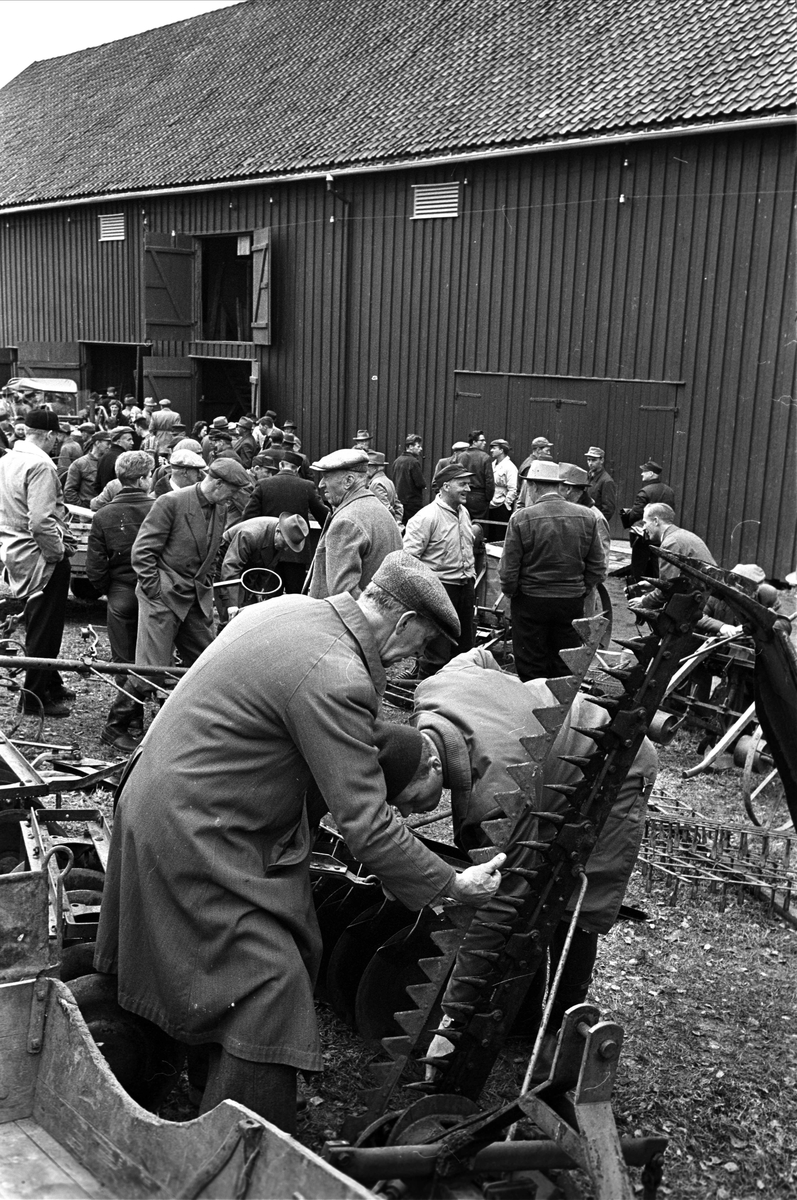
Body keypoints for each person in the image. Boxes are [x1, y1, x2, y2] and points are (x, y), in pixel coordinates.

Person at [94, 550, 505, 1133]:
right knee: (268, 986)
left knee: (222, 962)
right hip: (197, 826)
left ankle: (203, 1081)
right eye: (418, 646)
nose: (412, 658)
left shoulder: (292, 610)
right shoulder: (335, 674)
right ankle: (243, 1143)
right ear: (406, 623)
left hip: (164, 801)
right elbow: (365, 822)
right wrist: (450, 884)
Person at [409, 648, 657, 1074]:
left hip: (615, 756)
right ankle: (522, 1003)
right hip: (548, 761)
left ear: (434, 763)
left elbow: (497, 905)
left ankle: (562, 1030)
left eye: (410, 800)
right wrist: (517, 698)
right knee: (532, 875)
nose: (410, 812)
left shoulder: (501, 789)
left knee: (574, 900)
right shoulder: (433, 688)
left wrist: (451, 1020)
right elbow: (482, 657)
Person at [129, 457, 252, 693]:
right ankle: (120, 724)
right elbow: (143, 552)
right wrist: (156, 590)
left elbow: (213, 553)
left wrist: (207, 585)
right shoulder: (171, 502)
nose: (234, 498)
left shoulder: (220, 508)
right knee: (150, 672)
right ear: (217, 483)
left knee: (207, 663)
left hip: (195, 597)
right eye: (232, 491)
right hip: (164, 595)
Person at [500, 460, 606, 680]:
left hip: (531, 600)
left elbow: (508, 569)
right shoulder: (587, 516)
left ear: (534, 486)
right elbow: (598, 566)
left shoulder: (521, 518)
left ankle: (534, 706)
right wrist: (581, 589)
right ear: (559, 486)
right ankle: (562, 709)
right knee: (564, 661)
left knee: (531, 662)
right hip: (570, 602)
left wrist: (513, 592)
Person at [0, 409, 75, 716]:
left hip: (14, 552)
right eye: (57, 436)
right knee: (46, 628)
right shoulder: (42, 465)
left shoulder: (7, 460)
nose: (58, 441)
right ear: (49, 435)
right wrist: (57, 554)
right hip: (41, 555)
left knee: (35, 621)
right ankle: (33, 699)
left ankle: (51, 683)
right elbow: (41, 521)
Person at [85, 451, 155, 750]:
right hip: (152, 593)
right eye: (150, 474)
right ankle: (126, 724)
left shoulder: (103, 515)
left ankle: (133, 721)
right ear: (141, 479)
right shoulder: (158, 508)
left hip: (120, 593)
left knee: (123, 661)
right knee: (147, 661)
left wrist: (109, 589)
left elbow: (95, 567)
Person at [403, 461, 476, 676]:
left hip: (465, 587)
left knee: (464, 650)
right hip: (440, 590)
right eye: (462, 484)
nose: (468, 489)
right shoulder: (426, 517)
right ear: (445, 486)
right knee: (437, 653)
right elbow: (408, 560)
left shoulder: (463, 513)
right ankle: (426, 701)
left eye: (468, 484)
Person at [306, 449, 402, 599]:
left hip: (348, 620)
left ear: (349, 481)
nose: (321, 484)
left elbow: (343, 595)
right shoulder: (378, 509)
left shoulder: (346, 521)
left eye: (326, 477)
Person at [243, 451, 327, 593]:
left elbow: (248, 519)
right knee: (295, 599)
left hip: (268, 552)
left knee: (270, 599)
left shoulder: (263, 485)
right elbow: (324, 517)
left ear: (281, 465)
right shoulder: (307, 486)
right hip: (296, 553)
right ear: (298, 469)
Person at [627, 504, 716, 615]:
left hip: (701, 602)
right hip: (708, 595)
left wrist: (644, 601)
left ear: (655, 521)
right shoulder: (681, 535)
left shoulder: (670, 543)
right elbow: (677, 580)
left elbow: (668, 590)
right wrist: (654, 585)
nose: (643, 528)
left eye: (645, 523)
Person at [219, 513, 309, 616]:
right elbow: (231, 566)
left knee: (247, 611)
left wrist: (257, 590)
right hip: (224, 561)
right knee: (229, 615)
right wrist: (232, 605)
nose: (285, 549)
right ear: (278, 532)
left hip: (248, 565)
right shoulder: (250, 535)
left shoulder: (282, 537)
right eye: (285, 544)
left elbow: (268, 566)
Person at [620, 460, 676, 529]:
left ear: (651, 473)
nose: (642, 474)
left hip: (647, 530)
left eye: (644, 471)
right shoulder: (669, 490)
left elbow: (635, 514)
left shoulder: (644, 492)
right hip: (664, 529)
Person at [64, 430, 112, 506]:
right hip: (86, 509)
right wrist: (81, 506)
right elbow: (69, 490)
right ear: (97, 443)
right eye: (107, 444)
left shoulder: (110, 463)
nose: (109, 447)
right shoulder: (80, 464)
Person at [457, 430, 494, 521]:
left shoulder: (461, 456)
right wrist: (488, 498)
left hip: (463, 495)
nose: (485, 443)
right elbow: (489, 481)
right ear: (474, 442)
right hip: (480, 498)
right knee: (479, 527)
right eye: (482, 440)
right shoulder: (485, 457)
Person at [392, 435, 427, 522]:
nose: (421, 449)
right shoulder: (414, 462)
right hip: (412, 503)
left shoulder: (397, 461)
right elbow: (420, 483)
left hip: (399, 501)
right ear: (410, 447)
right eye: (418, 446)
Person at [487, 439, 518, 532]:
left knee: (499, 533)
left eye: (494, 448)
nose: (491, 450)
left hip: (501, 506)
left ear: (501, 450)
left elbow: (513, 489)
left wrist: (506, 504)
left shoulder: (510, 467)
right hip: (491, 504)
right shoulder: (492, 465)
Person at [517, 436, 555, 507]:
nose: (549, 453)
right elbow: (528, 492)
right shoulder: (531, 466)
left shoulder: (532, 463)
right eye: (547, 450)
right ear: (538, 450)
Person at [367, 451, 403, 524]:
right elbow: (398, 505)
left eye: (369, 466)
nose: (366, 470)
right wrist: (398, 521)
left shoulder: (376, 483)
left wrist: (393, 522)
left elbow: (385, 508)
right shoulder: (388, 481)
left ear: (375, 468)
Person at [584, 446, 617, 521]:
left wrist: (597, 524)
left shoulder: (607, 481)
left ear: (602, 460)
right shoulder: (588, 477)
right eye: (588, 460)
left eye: (594, 460)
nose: (590, 463)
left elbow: (608, 510)